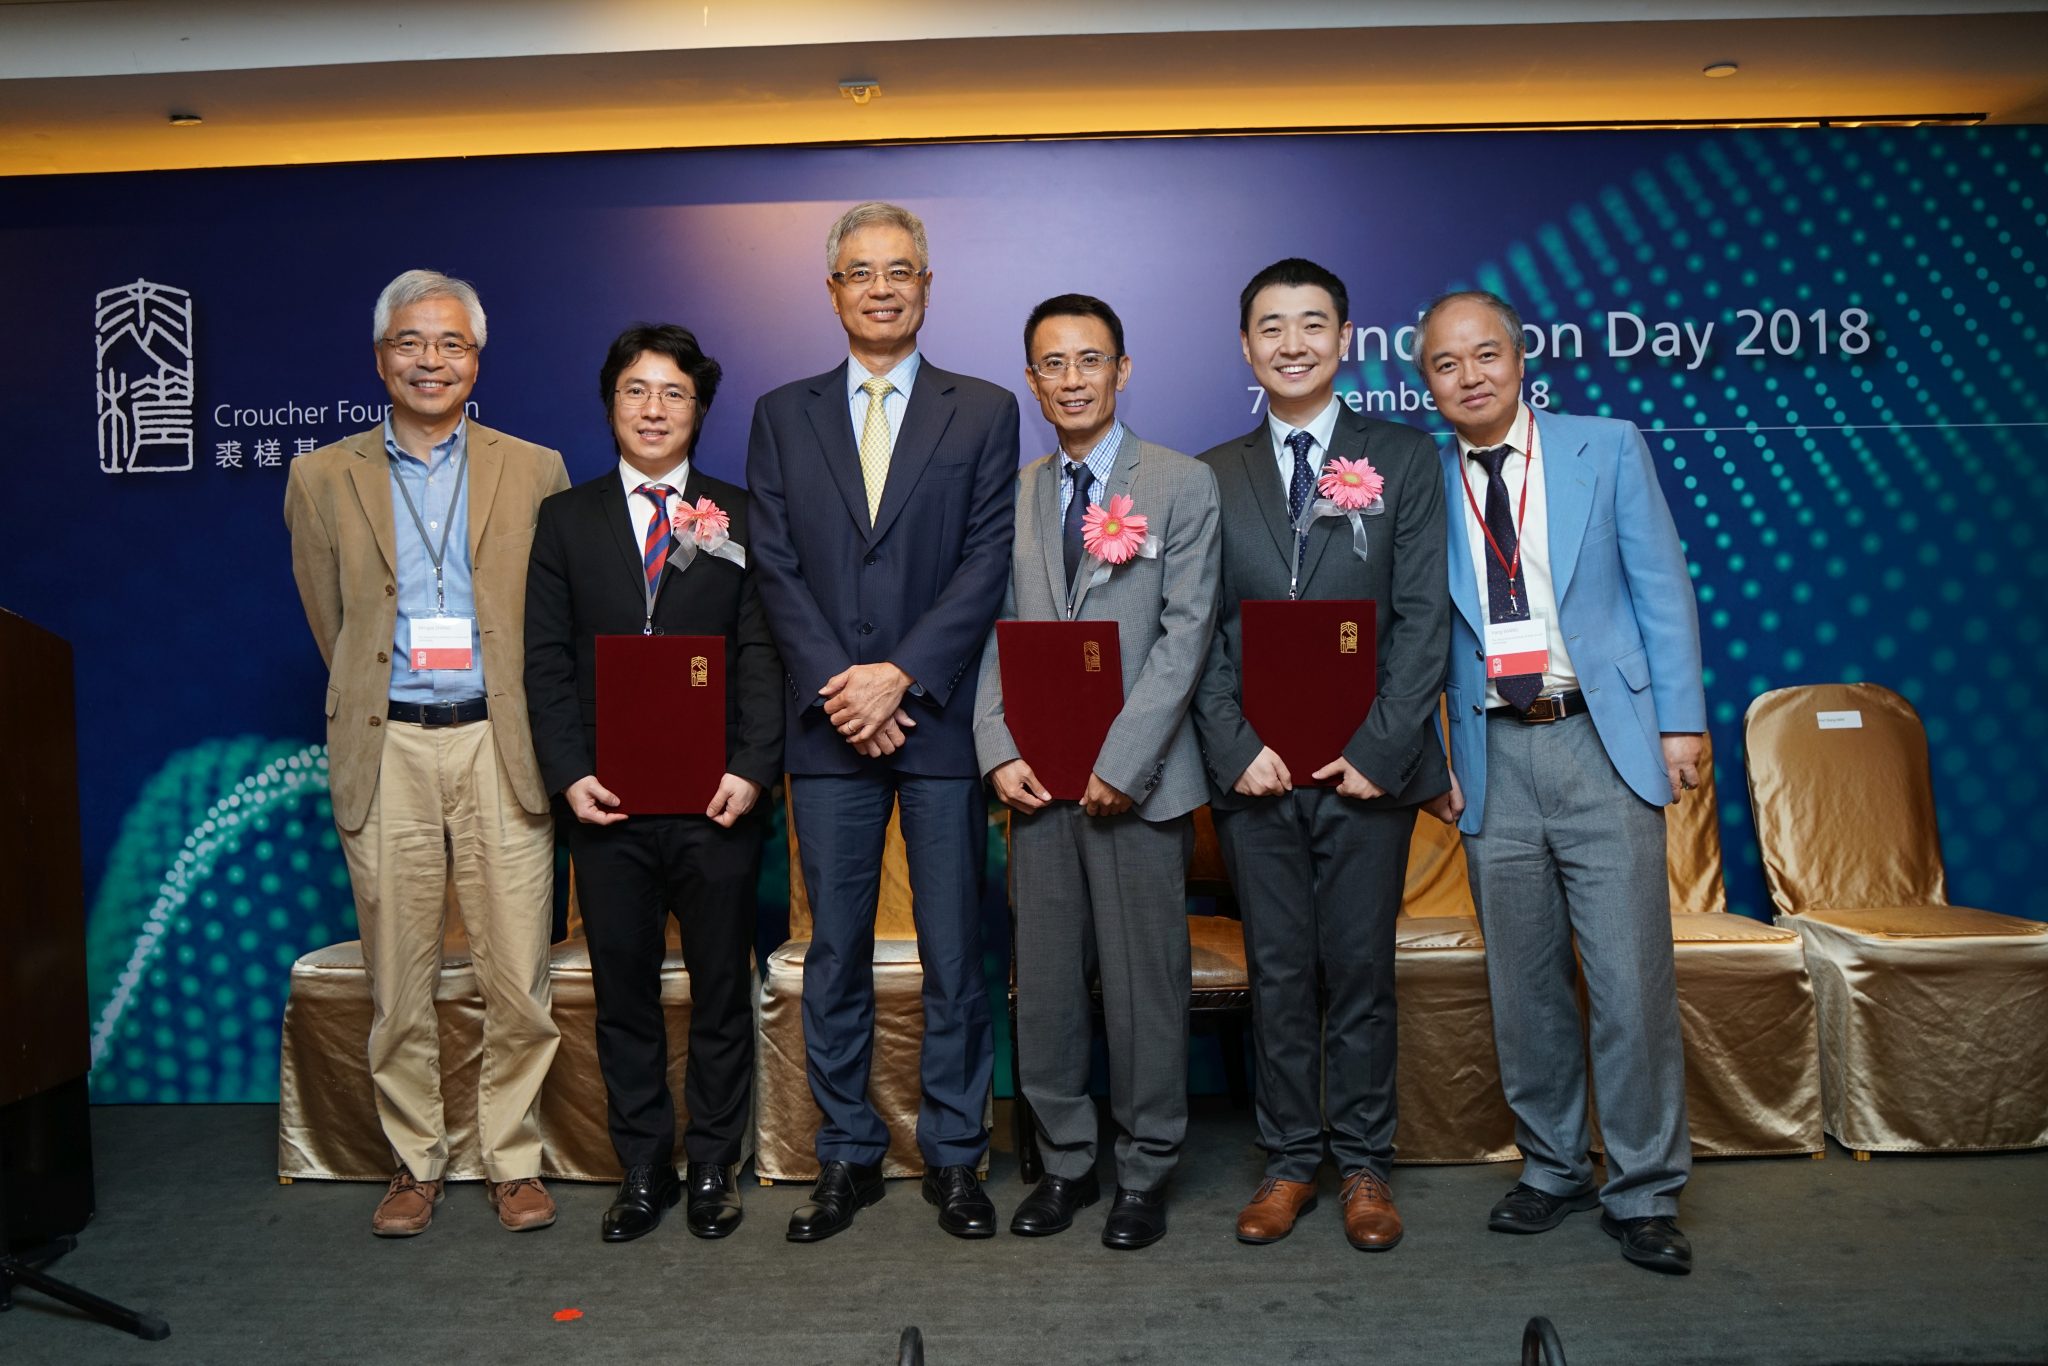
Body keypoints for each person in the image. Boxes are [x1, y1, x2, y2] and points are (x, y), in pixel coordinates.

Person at [1415, 289, 1705, 1275]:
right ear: (1427, 383)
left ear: (1520, 358)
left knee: (1627, 979)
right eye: (1445, 364)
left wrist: (1678, 720)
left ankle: (1643, 1186)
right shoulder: (1419, 478)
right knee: (1523, 982)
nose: (1469, 375)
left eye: (1484, 354)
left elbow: (1660, 585)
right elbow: (1417, 638)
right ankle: (1549, 1165)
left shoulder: (1603, 445)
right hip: (1493, 748)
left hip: (1600, 739)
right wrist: (1434, 757)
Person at [746, 201, 1020, 1242]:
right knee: (835, 955)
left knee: (956, 953)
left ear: (926, 286)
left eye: (899, 269)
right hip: (827, 734)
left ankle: (956, 1156)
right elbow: (772, 561)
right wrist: (842, 686)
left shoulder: (984, 407)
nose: (880, 286)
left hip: (937, 725)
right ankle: (846, 1154)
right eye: (859, 272)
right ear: (831, 291)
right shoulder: (782, 411)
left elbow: (986, 557)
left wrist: (898, 676)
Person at [283, 269, 567, 1237]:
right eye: (410, 342)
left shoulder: (535, 468)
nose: (429, 359)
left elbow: (551, 619)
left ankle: (511, 1156)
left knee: (515, 972)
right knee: (397, 978)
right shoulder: (323, 476)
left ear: (475, 359)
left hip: (500, 739)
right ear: (380, 357)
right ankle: (415, 1162)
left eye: (449, 343)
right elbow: (333, 622)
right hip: (390, 740)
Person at [1190, 258, 1449, 1252]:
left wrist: (1379, 747)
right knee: (1280, 974)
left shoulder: (1403, 457)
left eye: (1310, 324)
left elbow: (1421, 618)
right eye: (1269, 326)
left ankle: (1365, 1165)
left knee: (1358, 971)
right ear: (1245, 347)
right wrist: (1234, 745)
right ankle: (1290, 1157)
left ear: (1345, 339)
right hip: (1255, 775)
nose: (1290, 342)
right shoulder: (1212, 474)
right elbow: (1198, 628)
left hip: (1364, 771)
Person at [523, 323, 783, 1243]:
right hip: (609, 801)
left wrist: (754, 769)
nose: (654, 408)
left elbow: (763, 655)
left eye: (673, 393)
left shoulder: (741, 516)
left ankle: (712, 1165)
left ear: (698, 410)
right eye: (636, 390)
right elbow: (545, 663)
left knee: (719, 990)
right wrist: (569, 776)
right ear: (610, 404)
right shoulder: (565, 519)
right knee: (623, 991)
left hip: (719, 801)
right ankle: (643, 1169)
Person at [973, 294, 1220, 1249]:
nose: (1072, 379)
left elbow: (1185, 633)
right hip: (1036, 786)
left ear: (1123, 369)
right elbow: (991, 633)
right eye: (1052, 364)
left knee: (1143, 985)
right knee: (1047, 984)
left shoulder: (1180, 482)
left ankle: (1145, 1170)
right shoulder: (1019, 490)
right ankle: (1067, 1164)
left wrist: (1124, 761)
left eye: (1090, 360)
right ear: (1031, 380)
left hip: (1142, 785)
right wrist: (998, 749)